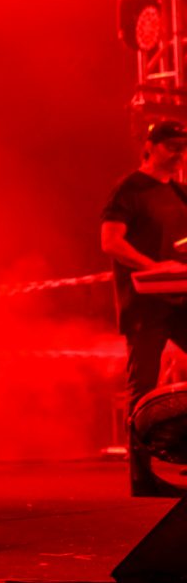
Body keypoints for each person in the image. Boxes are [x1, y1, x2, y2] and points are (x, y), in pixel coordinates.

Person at [101, 119, 187, 497]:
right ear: (149, 147)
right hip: (144, 302)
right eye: (171, 145)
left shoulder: (180, 192)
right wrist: (154, 267)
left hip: (180, 299)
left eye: (182, 146)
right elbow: (110, 242)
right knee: (143, 385)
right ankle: (141, 475)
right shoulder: (129, 189)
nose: (179, 152)